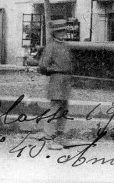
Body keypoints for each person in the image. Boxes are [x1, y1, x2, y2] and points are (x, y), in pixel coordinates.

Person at [38, 20, 74, 149]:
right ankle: (49, 139)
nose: (63, 34)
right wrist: (55, 71)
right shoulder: (50, 46)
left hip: (66, 81)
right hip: (57, 80)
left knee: (64, 110)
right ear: (54, 33)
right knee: (54, 110)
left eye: (64, 31)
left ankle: (59, 137)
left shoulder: (66, 46)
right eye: (59, 31)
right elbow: (42, 66)